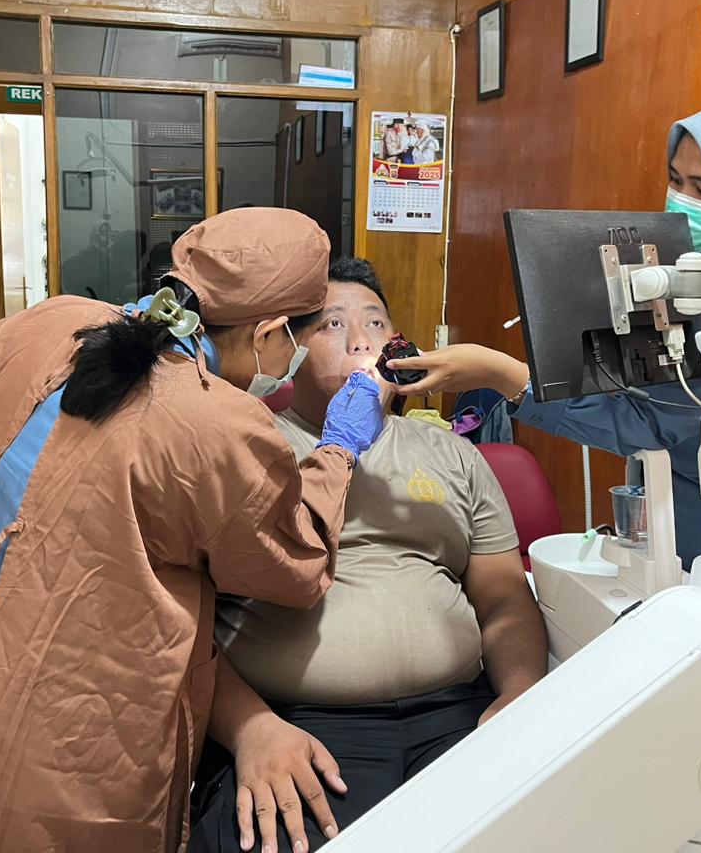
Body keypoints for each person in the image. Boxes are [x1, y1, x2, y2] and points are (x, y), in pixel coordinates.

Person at [0, 208, 386, 853]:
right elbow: (295, 566)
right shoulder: (221, 424)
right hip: (50, 760)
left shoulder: (55, 320)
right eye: (309, 336)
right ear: (269, 333)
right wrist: (338, 448)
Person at [388, 95, 701, 650]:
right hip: (689, 564)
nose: (683, 201)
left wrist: (503, 373)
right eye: (675, 180)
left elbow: (653, 423)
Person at [189, 258, 547, 853]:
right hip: (299, 727)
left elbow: (505, 593)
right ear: (290, 350)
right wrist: (251, 729)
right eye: (332, 324)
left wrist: (522, 692)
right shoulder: (246, 450)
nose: (360, 340)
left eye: (375, 324)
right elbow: (185, 622)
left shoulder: (452, 454)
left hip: (458, 717)